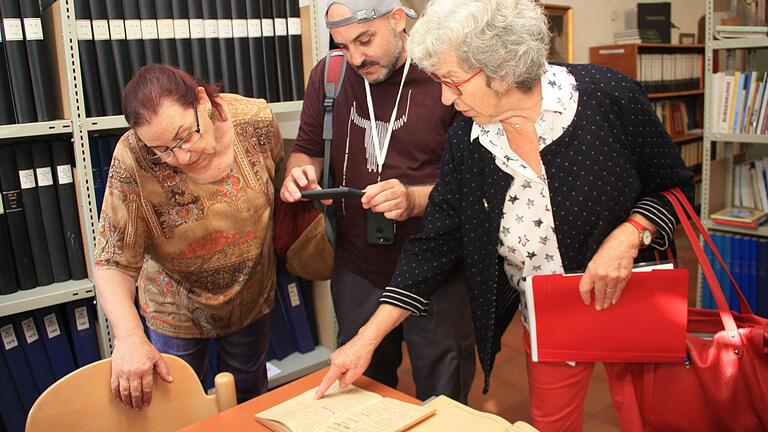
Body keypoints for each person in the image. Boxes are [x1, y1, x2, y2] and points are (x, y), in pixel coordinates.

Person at [315, 0, 695, 430]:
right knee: (550, 424)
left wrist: (629, 235)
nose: (444, 97)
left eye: (453, 82)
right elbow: (434, 244)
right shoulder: (468, 140)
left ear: (503, 67)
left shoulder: (608, 97)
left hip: (632, 301)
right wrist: (366, 339)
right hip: (550, 317)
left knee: (648, 418)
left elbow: (676, 187)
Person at [280, 0, 476, 403]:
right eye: (343, 45)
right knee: (360, 385)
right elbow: (306, 149)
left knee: (444, 395)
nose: (355, 57)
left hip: (438, 269)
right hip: (358, 267)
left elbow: (478, 184)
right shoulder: (329, 75)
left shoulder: (445, 72)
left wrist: (416, 198)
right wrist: (299, 171)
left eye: (364, 40)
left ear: (398, 19)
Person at [93, 64, 282, 409]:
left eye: (184, 136)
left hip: (250, 298)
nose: (180, 157)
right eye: (162, 149)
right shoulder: (132, 155)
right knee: (176, 411)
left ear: (201, 100)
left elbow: (283, 189)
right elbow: (112, 260)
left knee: (249, 402)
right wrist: (129, 336)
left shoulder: (255, 120)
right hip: (175, 309)